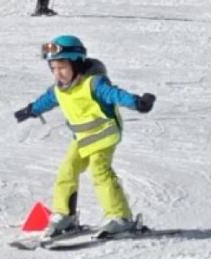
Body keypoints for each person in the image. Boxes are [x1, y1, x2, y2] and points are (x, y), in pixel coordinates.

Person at [12, 34, 156, 239]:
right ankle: (65, 216)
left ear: (77, 64)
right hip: (83, 138)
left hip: (104, 135)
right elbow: (46, 100)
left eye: (62, 67)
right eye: (53, 68)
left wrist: (137, 102)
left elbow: (115, 94)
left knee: (99, 170)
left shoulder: (94, 83)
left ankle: (121, 218)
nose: (58, 73)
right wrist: (31, 110)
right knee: (66, 171)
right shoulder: (59, 90)